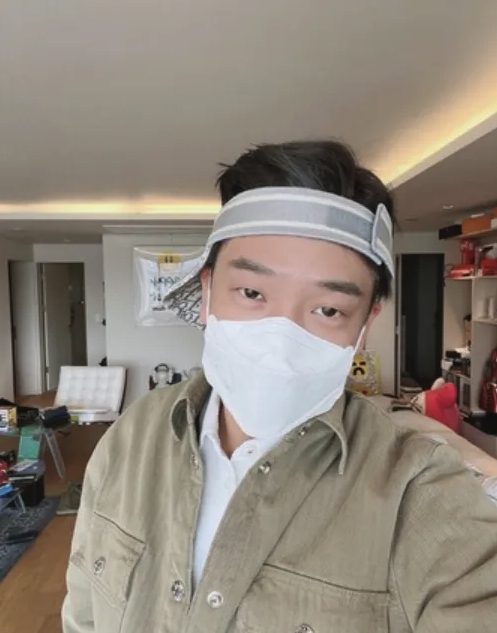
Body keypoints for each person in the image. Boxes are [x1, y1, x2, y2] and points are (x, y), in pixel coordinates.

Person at [62, 141, 497, 633]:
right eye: (252, 293)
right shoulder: (132, 437)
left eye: (328, 309)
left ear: (364, 325)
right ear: (206, 291)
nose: (279, 342)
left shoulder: (418, 492)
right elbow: (83, 614)